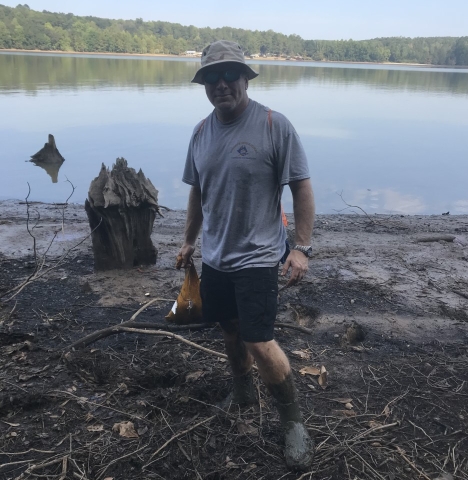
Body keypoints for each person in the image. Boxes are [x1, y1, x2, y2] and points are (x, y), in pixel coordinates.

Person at [177, 40, 315, 470]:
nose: (221, 85)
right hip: (217, 256)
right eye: (211, 78)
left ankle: (292, 421)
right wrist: (188, 241)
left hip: (258, 257)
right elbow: (198, 192)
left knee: (259, 339)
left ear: (245, 78)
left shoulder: (275, 125)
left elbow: (301, 186)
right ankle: (241, 393)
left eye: (229, 75)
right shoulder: (200, 132)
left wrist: (302, 248)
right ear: (204, 84)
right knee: (230, 330)